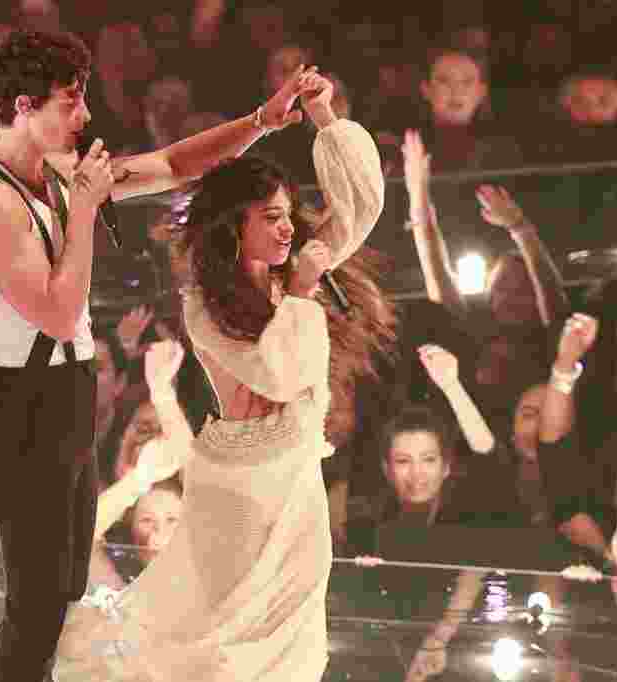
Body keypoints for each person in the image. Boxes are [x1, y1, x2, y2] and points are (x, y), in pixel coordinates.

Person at [0, 28, 313, 682]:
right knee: (34, 604)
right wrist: (84, 210)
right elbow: (57, 313)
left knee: (60, 593)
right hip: (22, 404)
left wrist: (261, 122)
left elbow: (173, 165)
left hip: (71, 394)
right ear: (24, 107)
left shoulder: (58, 176)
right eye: (70, 102)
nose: (85, 117)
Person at [52, 69, 392, 681]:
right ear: (236, 227)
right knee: (214, 644)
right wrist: (304, 295)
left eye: (289, 214)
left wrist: (323, 116)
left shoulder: (295, 273)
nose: (290, 229)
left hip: (297, 486)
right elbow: (280, 374)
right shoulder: (204, 304)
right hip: (239, 490)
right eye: (272, 217)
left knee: (292, 648)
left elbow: (362, 204)